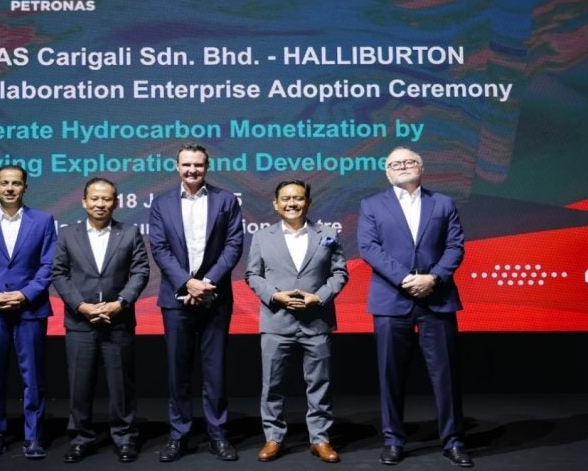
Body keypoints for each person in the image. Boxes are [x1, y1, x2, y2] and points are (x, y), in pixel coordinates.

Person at [357, 147, 474, 468]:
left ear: (421, 168)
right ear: (387, 172)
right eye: (395, 164)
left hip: (437, 298)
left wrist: (433, 278)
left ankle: (453, 442)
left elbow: (455, 246)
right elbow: (368, 247)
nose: (402, 166)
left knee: (446, 375)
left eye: (409, 162)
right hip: (391, 299)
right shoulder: (371, 205)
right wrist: (406, 279)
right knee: (390, 375)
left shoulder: (443, 203)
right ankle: (394, 440)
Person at [148, 142, 243, 462]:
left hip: (215, 297)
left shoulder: (226, 200)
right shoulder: (161, 203)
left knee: (215, 371)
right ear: (177, 167)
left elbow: (233, 245)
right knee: (178, 372)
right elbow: (159, 248)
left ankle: (218, 434)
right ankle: (179, 435)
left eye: (198, 165)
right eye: (187, 165)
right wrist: (186, 282)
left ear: (207, 167)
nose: (192, 170)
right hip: (175, 298)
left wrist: (206, 283)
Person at [245, 180, 348, 463]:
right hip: (276, 322)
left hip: (316, 321)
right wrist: (275, 296)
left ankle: (320, 439)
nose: (292, 203)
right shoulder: (262, 237)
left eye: (298, 198)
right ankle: (273, 437)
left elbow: (340, 273)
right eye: (286, 198)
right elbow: (252, 275)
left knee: (319, 383)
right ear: (276, 204)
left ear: (308, 203)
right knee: (272, 384)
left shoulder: (327, 233)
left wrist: (319, 297)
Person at [51, 177, 150, 464]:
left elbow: (140, 272)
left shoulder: (129, 233)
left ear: (115, 203)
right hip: (80, 322)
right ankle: (81, 438)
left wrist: (121, 303)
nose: (100, 204)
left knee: (121, 386)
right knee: (79, 385)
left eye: (106, 199)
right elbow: (59, 273)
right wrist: (80, 306)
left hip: (118, 321)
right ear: (84, 202)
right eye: (94, 198)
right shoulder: (67, 234)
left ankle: (125, 437)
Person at [0, 165, 56, 461]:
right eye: (4, 183)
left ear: (25, 187)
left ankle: (33, 436)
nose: (10, 188)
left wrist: (24, 294)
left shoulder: (43, 221)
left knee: (34, 379)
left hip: (30, 309)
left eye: (16, 183)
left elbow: (48, 265)